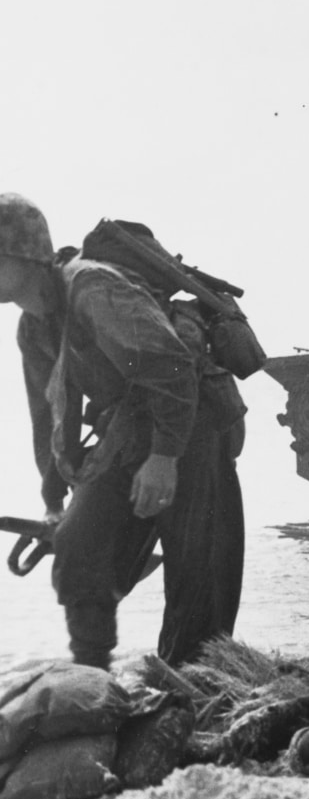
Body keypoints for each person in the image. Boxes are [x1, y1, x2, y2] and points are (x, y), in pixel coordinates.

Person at [0, 193, 246, 669]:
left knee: (196, 570)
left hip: (193, 422)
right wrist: (55, 501)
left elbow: (174, 367)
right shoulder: (33, 329)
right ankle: (91, 675)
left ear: (24, 254)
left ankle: (196, 682)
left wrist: (163, 459)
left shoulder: (92, 288)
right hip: (132, 425)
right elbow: (48, 418)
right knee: (77, 543)